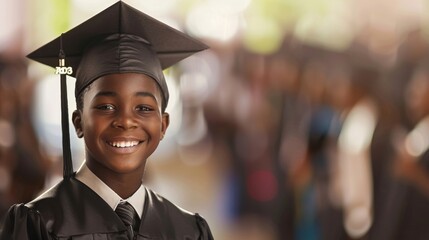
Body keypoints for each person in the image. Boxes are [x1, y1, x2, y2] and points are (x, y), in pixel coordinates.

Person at [0, 1, 213, 239]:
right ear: (78, 122)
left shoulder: (188, 230)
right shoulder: (39, 223)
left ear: (163, 125)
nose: (126, 121)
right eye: (106, 106)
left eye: (143, 107)